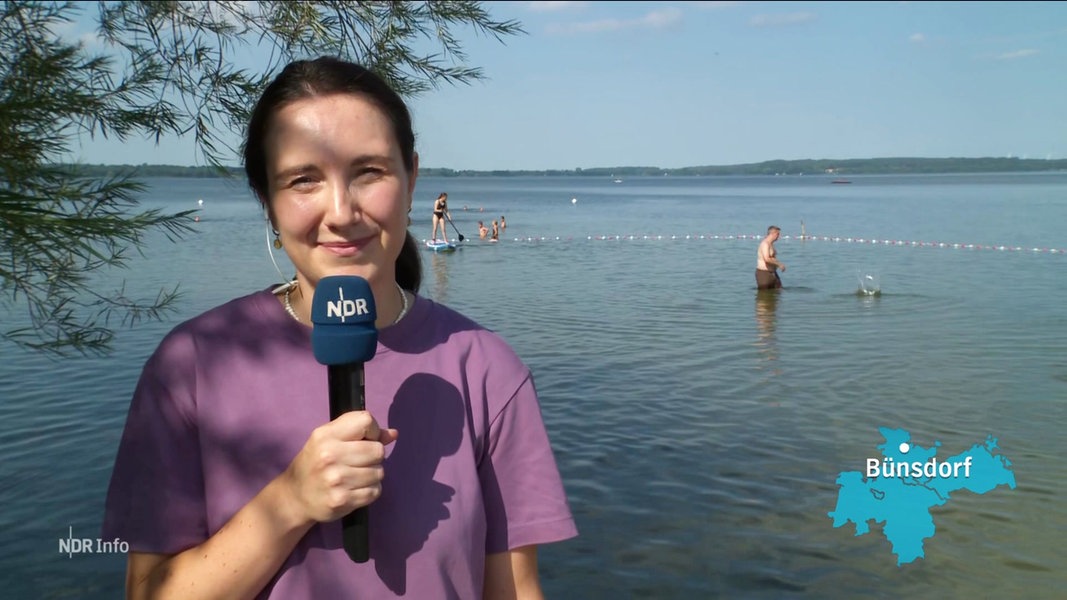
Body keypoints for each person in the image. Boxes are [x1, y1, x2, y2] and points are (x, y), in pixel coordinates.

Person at [102, 56, 577, 599]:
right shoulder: (191, 365)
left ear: (412, 176)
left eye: (369, 172)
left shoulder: (489, 370)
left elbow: (515, 591)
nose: (341, 210)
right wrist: (290, 502)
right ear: (267, 199)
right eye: (304, 179)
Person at [756, 225, 786, 289]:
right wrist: (779, 264)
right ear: (773, 234)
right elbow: (767, 259)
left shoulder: (771, 244)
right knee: (764, 296)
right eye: (778, 234)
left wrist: (778, 265)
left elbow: (772, 258)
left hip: (773, 273)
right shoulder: (765, 244)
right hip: (764, 273)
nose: (779, 236)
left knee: (779, 291)